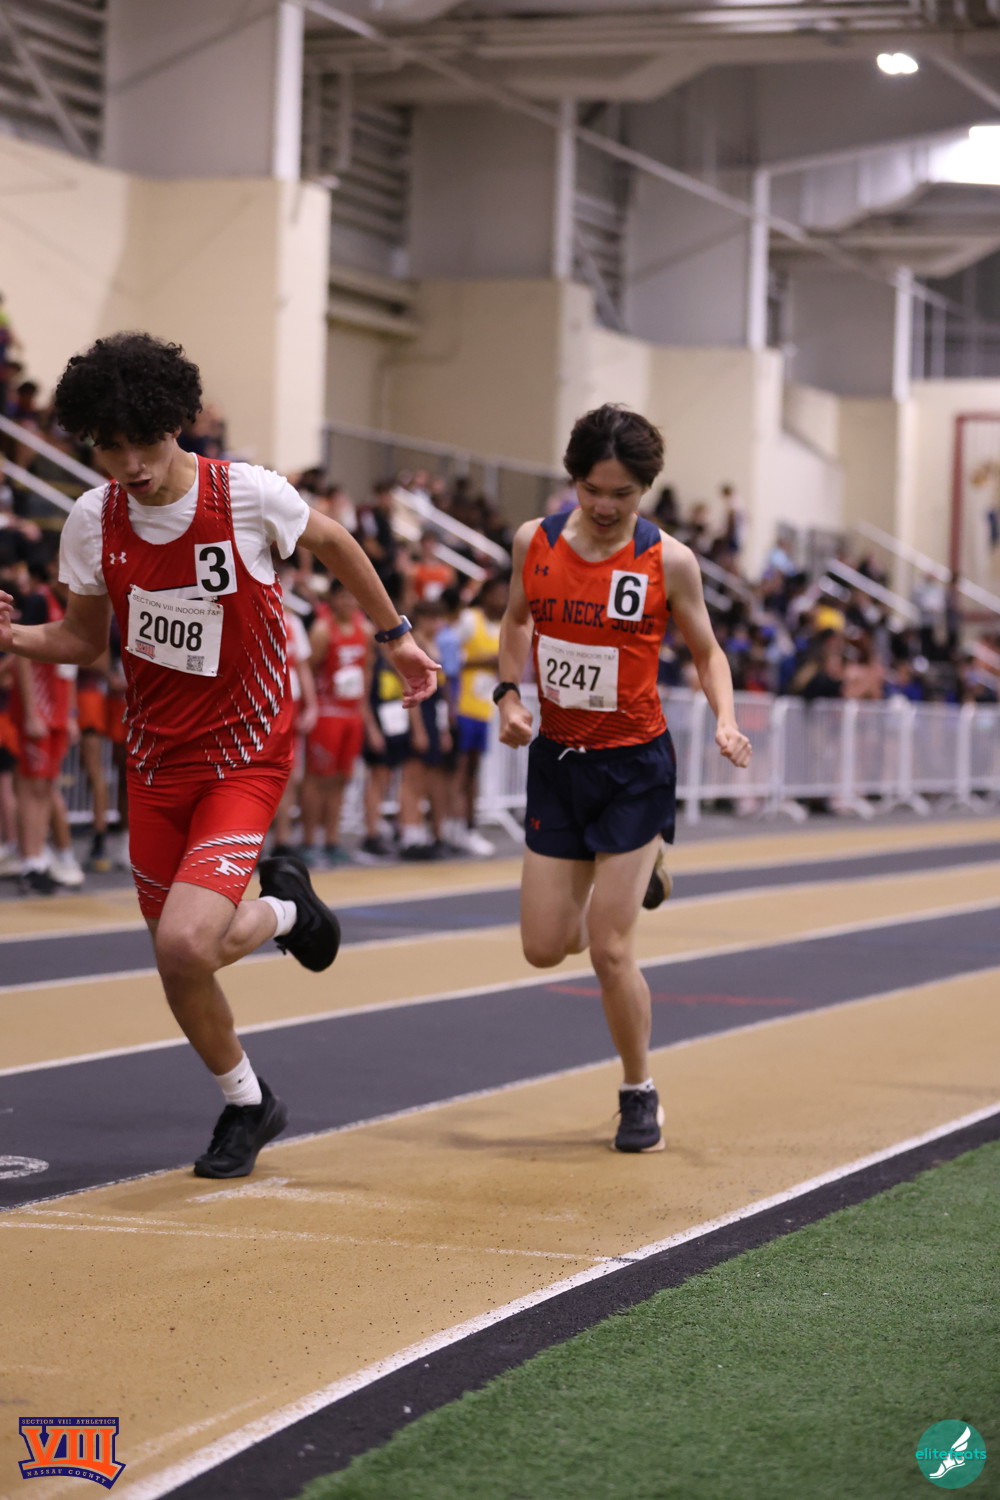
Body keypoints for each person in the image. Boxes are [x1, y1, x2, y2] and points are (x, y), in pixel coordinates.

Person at [0, 332, 437, 1178]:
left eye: (145, 441)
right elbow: (85, 641)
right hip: (154, 761)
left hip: (246, 750)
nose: (130, 464)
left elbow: (337, 544)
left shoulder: (245, 494)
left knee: (185, 943)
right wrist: (15, 638)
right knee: (179, 963)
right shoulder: (92, 520)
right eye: (110, 446)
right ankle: (247, 1101)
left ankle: (285, 912)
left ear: (178, 424)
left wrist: (397, 639)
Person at [496, 404, 751, 1154]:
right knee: (544, 949)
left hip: (635, 766)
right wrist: (508, 695)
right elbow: (516, 620)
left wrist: (726, 719)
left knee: (609, 949)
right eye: (592, 490)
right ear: (573, 479)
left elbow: (707, 651)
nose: (606, 507)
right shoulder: (533, 542)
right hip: (558, 762)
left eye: (623, 494)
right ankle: (637, 873)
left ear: (646, 489)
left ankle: (639, 1091)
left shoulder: (670, 561)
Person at [300, 580, 372, 865]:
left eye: (352, 597)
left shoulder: (365, 630)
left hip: (351, 713)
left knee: (342, 778)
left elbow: (366, 672)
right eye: (342, 597)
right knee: (318, 777)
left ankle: (332, 839)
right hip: (327, 712)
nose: (348, 603)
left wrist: (365, 714)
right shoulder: (322, 630)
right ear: (332, 599)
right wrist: (311, 705)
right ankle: (309, 841)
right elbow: (307, 669)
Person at [444, 573, 509, 857]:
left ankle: (467, 827)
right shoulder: (470, 620)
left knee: (473, 770)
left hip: (483, 709)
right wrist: (484, 661)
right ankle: (453, 826)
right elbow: (448, 657)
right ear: (486, 595)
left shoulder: (504, 626)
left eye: (506, 594)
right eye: (498, 593)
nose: (502, 599)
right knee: (459, 771)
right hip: (462, 706)